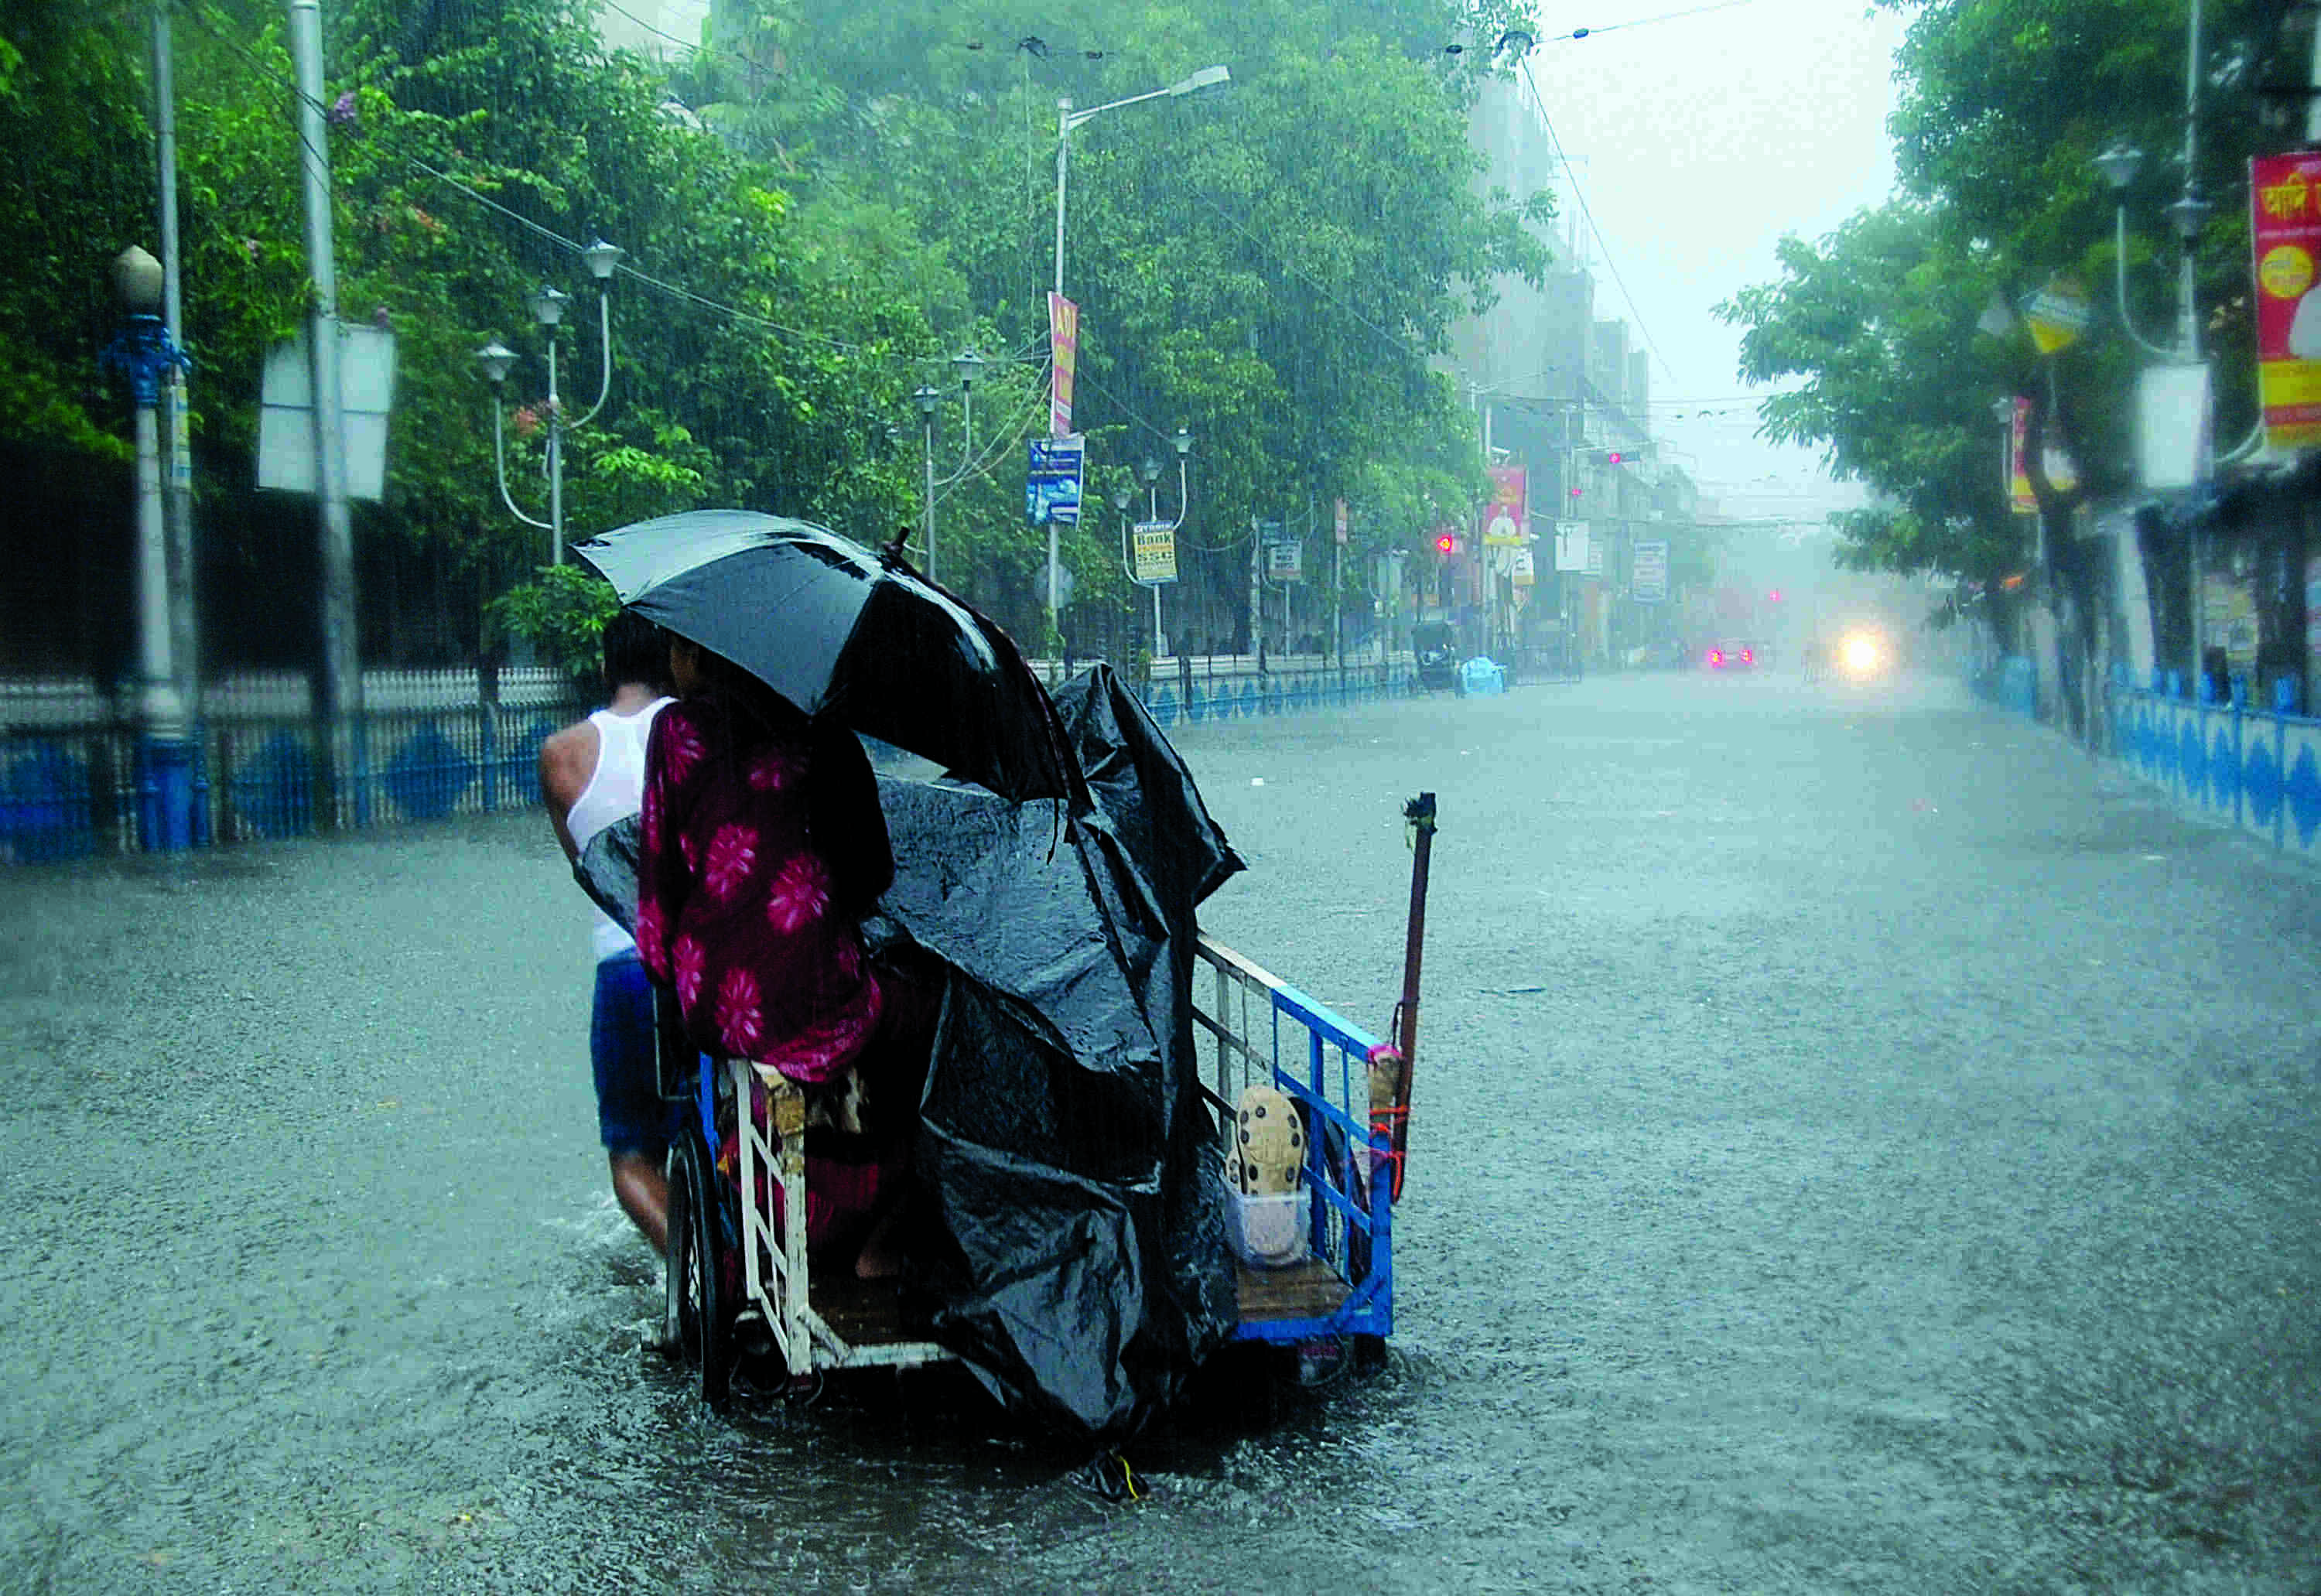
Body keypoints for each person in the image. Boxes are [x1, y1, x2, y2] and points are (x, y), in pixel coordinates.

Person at [635, 636, 925, 1275]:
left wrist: (667, 973)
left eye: (676, 650)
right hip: (822, 995)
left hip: (717, 1003)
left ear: (696, 652)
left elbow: (658, 891)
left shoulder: (675, 729)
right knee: (928, 1019)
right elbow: (872, 872)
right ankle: (888, 1229)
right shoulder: (822, 729)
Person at [540, 610, 678, 1254]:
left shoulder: (562, 755)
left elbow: (585, 868)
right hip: (702, 974)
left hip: (623, 967)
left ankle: (704, 1264)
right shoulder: (699, 735)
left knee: (630, 1156)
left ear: (605, 667)